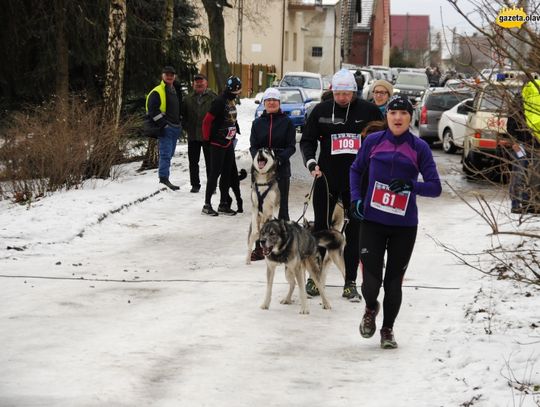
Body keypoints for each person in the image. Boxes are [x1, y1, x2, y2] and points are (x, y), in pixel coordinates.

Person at [349, 95, 442, 349]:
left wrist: (411, 186)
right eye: (393, 113)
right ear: (386, 116)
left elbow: (435, 188)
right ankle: (370, 307)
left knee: (393, 282)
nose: (398, 118)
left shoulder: (419, 147)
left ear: (410, 118)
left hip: (403, 226)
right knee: (370, 281)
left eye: (403, 113)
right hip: (372, 220)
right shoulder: (372, 141)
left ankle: (387, 330)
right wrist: (356, 198)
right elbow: (356, 170)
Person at [300, 68, 384, 301]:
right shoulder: (322, 111)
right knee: (321, 230)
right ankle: (314, 279)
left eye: (347, 93)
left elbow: (383, 140)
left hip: (357, 180)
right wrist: (311, 163)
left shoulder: (369, 111)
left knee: (355, 231)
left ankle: (350, 282)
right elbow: (307, 141)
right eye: (338, 93)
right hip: (327, 178)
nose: (343, 98)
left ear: (354, 92)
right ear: (333, 92)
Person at [249, 87, 297, 260]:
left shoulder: (287, 122)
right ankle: (260, 248)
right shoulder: (257, 123)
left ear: (279, 103)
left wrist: (279, 159)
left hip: (281, 170)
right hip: (260, 173)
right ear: (264, 103)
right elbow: (253, 146)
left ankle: (285, 246)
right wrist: (259, 160)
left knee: (281, 209)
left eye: (274, 100)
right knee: (260, 210)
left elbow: (292, 146)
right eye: (268, 100)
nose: (271, 103)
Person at [201, 75, 242, 216]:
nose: (237, 94)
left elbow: (231, 119)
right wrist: (206, 140)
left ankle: (223, 203)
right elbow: (207, 121)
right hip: (217, 142)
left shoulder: (231, 100)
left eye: (238, 92)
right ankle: (207, 204)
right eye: (236, 92)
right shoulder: (219, 101)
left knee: (226, 173)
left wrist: (235, 129)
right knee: (215, 173)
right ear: (230, 89)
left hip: (228, 142)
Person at [145, 65, 182, 190]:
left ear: (174, 76)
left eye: (172, 75)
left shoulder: (175, 89)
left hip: (175, 127)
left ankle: (165, 178)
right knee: (165, 154)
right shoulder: (157, 91)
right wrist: (163, 125)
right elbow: (152, 110)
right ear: (163, 76)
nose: (170, 77)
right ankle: (163, 179)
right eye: (167, 75)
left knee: (169, 154)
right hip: (166, 128)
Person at [181, 73, 217, 193]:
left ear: (206, 83)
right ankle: (195, 185)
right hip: (193, 135)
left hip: (208, 136)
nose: (199, 84)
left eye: (201, 82)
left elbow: (218, 115)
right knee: (193, 162)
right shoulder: (187, 98)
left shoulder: (213, 97)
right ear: (193, 84)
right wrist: (186, 127)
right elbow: (183, 116)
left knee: (210, 162)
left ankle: (211, 186)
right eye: (196, 82)